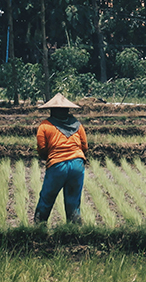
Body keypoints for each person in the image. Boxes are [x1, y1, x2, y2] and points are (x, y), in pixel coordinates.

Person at [33, 93, 87, 225]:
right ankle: (74, 233)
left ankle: (39, 229)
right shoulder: (78, 125)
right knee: (73, 201)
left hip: (57, 166)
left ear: (52, 110)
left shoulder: (45, 125)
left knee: (47, 198)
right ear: (67, 110)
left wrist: (50, 157)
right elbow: (84, 146)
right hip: (77, 164)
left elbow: (42, 148)